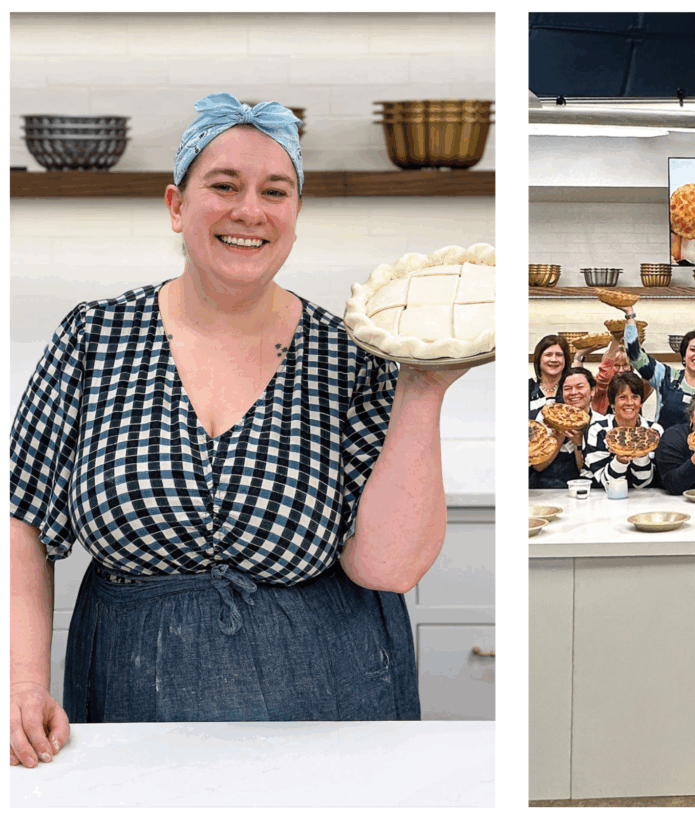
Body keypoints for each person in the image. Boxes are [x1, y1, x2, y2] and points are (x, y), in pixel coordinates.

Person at [10, 93, 466, 767]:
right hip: (136, 696)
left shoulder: (351, 354)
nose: (249, 210)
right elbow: (24, 521)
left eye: (274, 191)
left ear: (295, 215)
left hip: (326, 703)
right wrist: (21, 680)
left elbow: (388, 565)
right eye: (223, 185)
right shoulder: (94, 337)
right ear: (176, 205)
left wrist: (425, 385)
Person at [614, 300, 695, 431]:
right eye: (693, 349)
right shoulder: (665, 376)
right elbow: (634, 355)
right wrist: (630, 315)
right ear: (683, 354)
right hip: (665, 448)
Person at [582, 372, 663, 489]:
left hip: (645, 498)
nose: (629, 403)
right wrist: (620, 460)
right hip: (604, 498)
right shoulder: (597, 431)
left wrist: (642, 454)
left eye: (635, 397)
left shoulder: (654, 432)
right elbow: (607, 483)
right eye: (622, 397)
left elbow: (642, 484)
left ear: (641, 403)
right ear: (612, 403)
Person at [530, 367, 606, 489]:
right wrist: (559, 436)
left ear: (592, 390)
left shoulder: (601, 424)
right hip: (545, 490)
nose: (573, 392)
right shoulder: (547, 417)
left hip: (586, 490)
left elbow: (591, 473)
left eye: (580, 387)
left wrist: (578, 444)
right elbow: (538, 466)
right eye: (567, 389)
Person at [589, 336, 654, 416]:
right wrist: (615, 340)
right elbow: (604, 375)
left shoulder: (637, 386)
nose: (621, 370)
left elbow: (649, 377)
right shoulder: (600, 388)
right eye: (616, 365)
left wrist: (636, 350)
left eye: (625, 365)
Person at [529, 334, 571, 417]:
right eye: (548, 354)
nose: (554, 359)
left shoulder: (572, 388)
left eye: (559, 355)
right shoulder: (527, 387)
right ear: (539, 358)